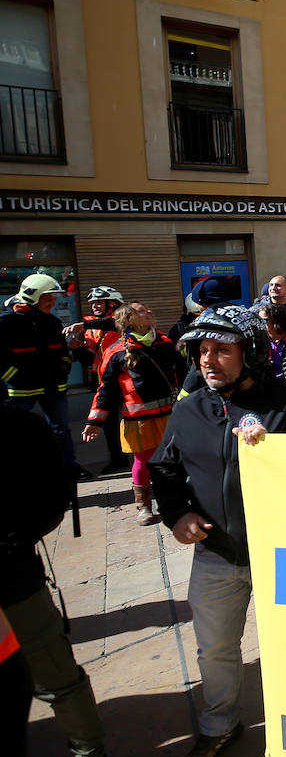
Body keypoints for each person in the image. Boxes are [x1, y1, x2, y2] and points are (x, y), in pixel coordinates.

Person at [150, 306, 286, 756]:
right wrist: (178, 516)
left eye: (222, 350)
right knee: (215, 650)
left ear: (250, 353)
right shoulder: (189, 411)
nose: (208, 360)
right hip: (216, 557)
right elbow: (164, 470)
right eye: (202, 350)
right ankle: (221, 724)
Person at [1, 405, 106, 757]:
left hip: (13, 585)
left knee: (56, 676)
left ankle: (89, 749)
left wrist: (14, 541)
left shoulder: (19, 425)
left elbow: (53, 496)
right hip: (15, 576)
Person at [82, 301, 184, 526]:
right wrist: (95, 421)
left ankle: (174, 501)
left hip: (170, 416)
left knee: (174, 461)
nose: (149, 312)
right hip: (138, 421)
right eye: (141, 311)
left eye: (149, 309)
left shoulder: (165, 342)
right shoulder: (116, 352)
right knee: (143, 462)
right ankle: (144, 507)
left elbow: (183, 374)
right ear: (128, 320)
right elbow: (105, 389)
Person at [0, 274, 81, 476]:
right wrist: (15, 377)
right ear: (32, 297)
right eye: (49, 298)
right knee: (16, 433)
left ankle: (68, 470)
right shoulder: (5, 323)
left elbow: (63, 353)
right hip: (20, 392)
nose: (53, 303)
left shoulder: (52, 322)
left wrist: (63, 370)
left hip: (54, 389)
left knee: (61, 431)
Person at [67, 286, 127, 473]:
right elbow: (87, 359)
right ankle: (117, 458)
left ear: (113, 303)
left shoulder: (124, 320)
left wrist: (84, 325)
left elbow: (113, 323)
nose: (94, 306)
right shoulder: (90, 327)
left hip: (128, 380)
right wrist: (77, 348)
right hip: (106, 382)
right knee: (108, 423)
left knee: (134, 418)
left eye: (99, 302)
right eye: (92, 303)